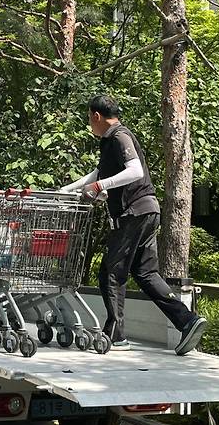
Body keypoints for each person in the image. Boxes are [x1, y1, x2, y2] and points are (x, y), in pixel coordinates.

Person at [61, 95, 207, 355]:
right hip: (147, 211)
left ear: (96, 116)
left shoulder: (119, 136)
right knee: (146, 274)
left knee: (111, 272)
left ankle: (115, 336)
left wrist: (100, 187)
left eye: (89, 118)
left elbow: (134, 171)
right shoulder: (110, 142)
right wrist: (69, 189)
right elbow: (98, 174)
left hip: (133, 213)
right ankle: (187, 321)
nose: (89, 124)